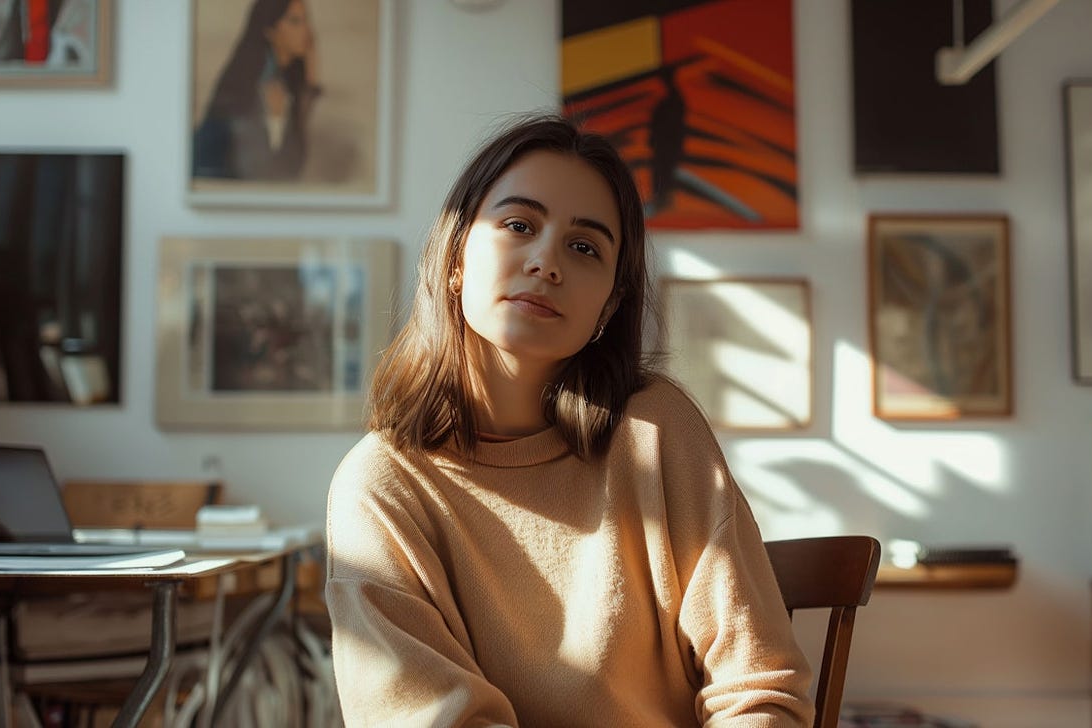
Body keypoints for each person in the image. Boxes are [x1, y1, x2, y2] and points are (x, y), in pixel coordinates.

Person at [324, 114, 814, 726]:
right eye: (518, 225)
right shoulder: (379, 486)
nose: (546, 262)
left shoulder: (657, 430)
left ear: (609, 304)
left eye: (584, 247)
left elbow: (761, 688)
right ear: (454, 256)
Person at [191, 0, 320, 181]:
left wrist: (311, 77)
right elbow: (256, 166)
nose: (307, 31)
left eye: (306, 20)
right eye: (295, 21)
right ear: (270, 31)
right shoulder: (250, 83)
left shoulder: (286, 81)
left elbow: (294, 163)